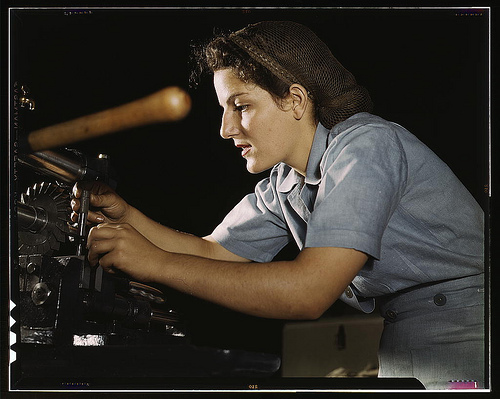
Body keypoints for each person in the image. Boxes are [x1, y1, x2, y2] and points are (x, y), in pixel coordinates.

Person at [71, 21, 485, 389]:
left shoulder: (366, 146)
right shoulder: (286, 182)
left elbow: (308, 293)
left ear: (295, 100)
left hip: (467, 339)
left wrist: (155, 264)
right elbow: (213, 251)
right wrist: (126, 217)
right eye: (223, 110)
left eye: (242, 106)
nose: (225, 129)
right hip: (401, 342)